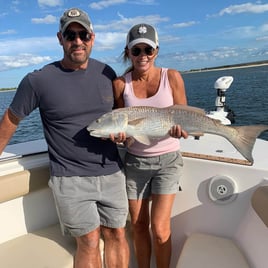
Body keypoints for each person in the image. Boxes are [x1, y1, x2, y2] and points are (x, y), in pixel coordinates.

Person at [0, 8, 129, 268]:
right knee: (90, 241)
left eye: (83, 34)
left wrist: (123, 135)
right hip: (70, 179)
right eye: (71, 35)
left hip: (112, 172)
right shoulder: (38, 81)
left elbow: (120, 115)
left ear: (92, 37)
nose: (77, 41)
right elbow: (11, 120)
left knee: (116, 234)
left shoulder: (107, 73)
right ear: (60, 38)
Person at [113, 23, 188, 268]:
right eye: (136, 51)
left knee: (159, 228)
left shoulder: (172, 76)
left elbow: (184, 118)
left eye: (148, 49)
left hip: (168, 161)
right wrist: (121, 136)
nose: (142, 55)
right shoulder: (120, 85)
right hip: (135, 162)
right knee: (137, 226)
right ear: (128, 52)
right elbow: (119, 124)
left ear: (156, 51)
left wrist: (180, 129)